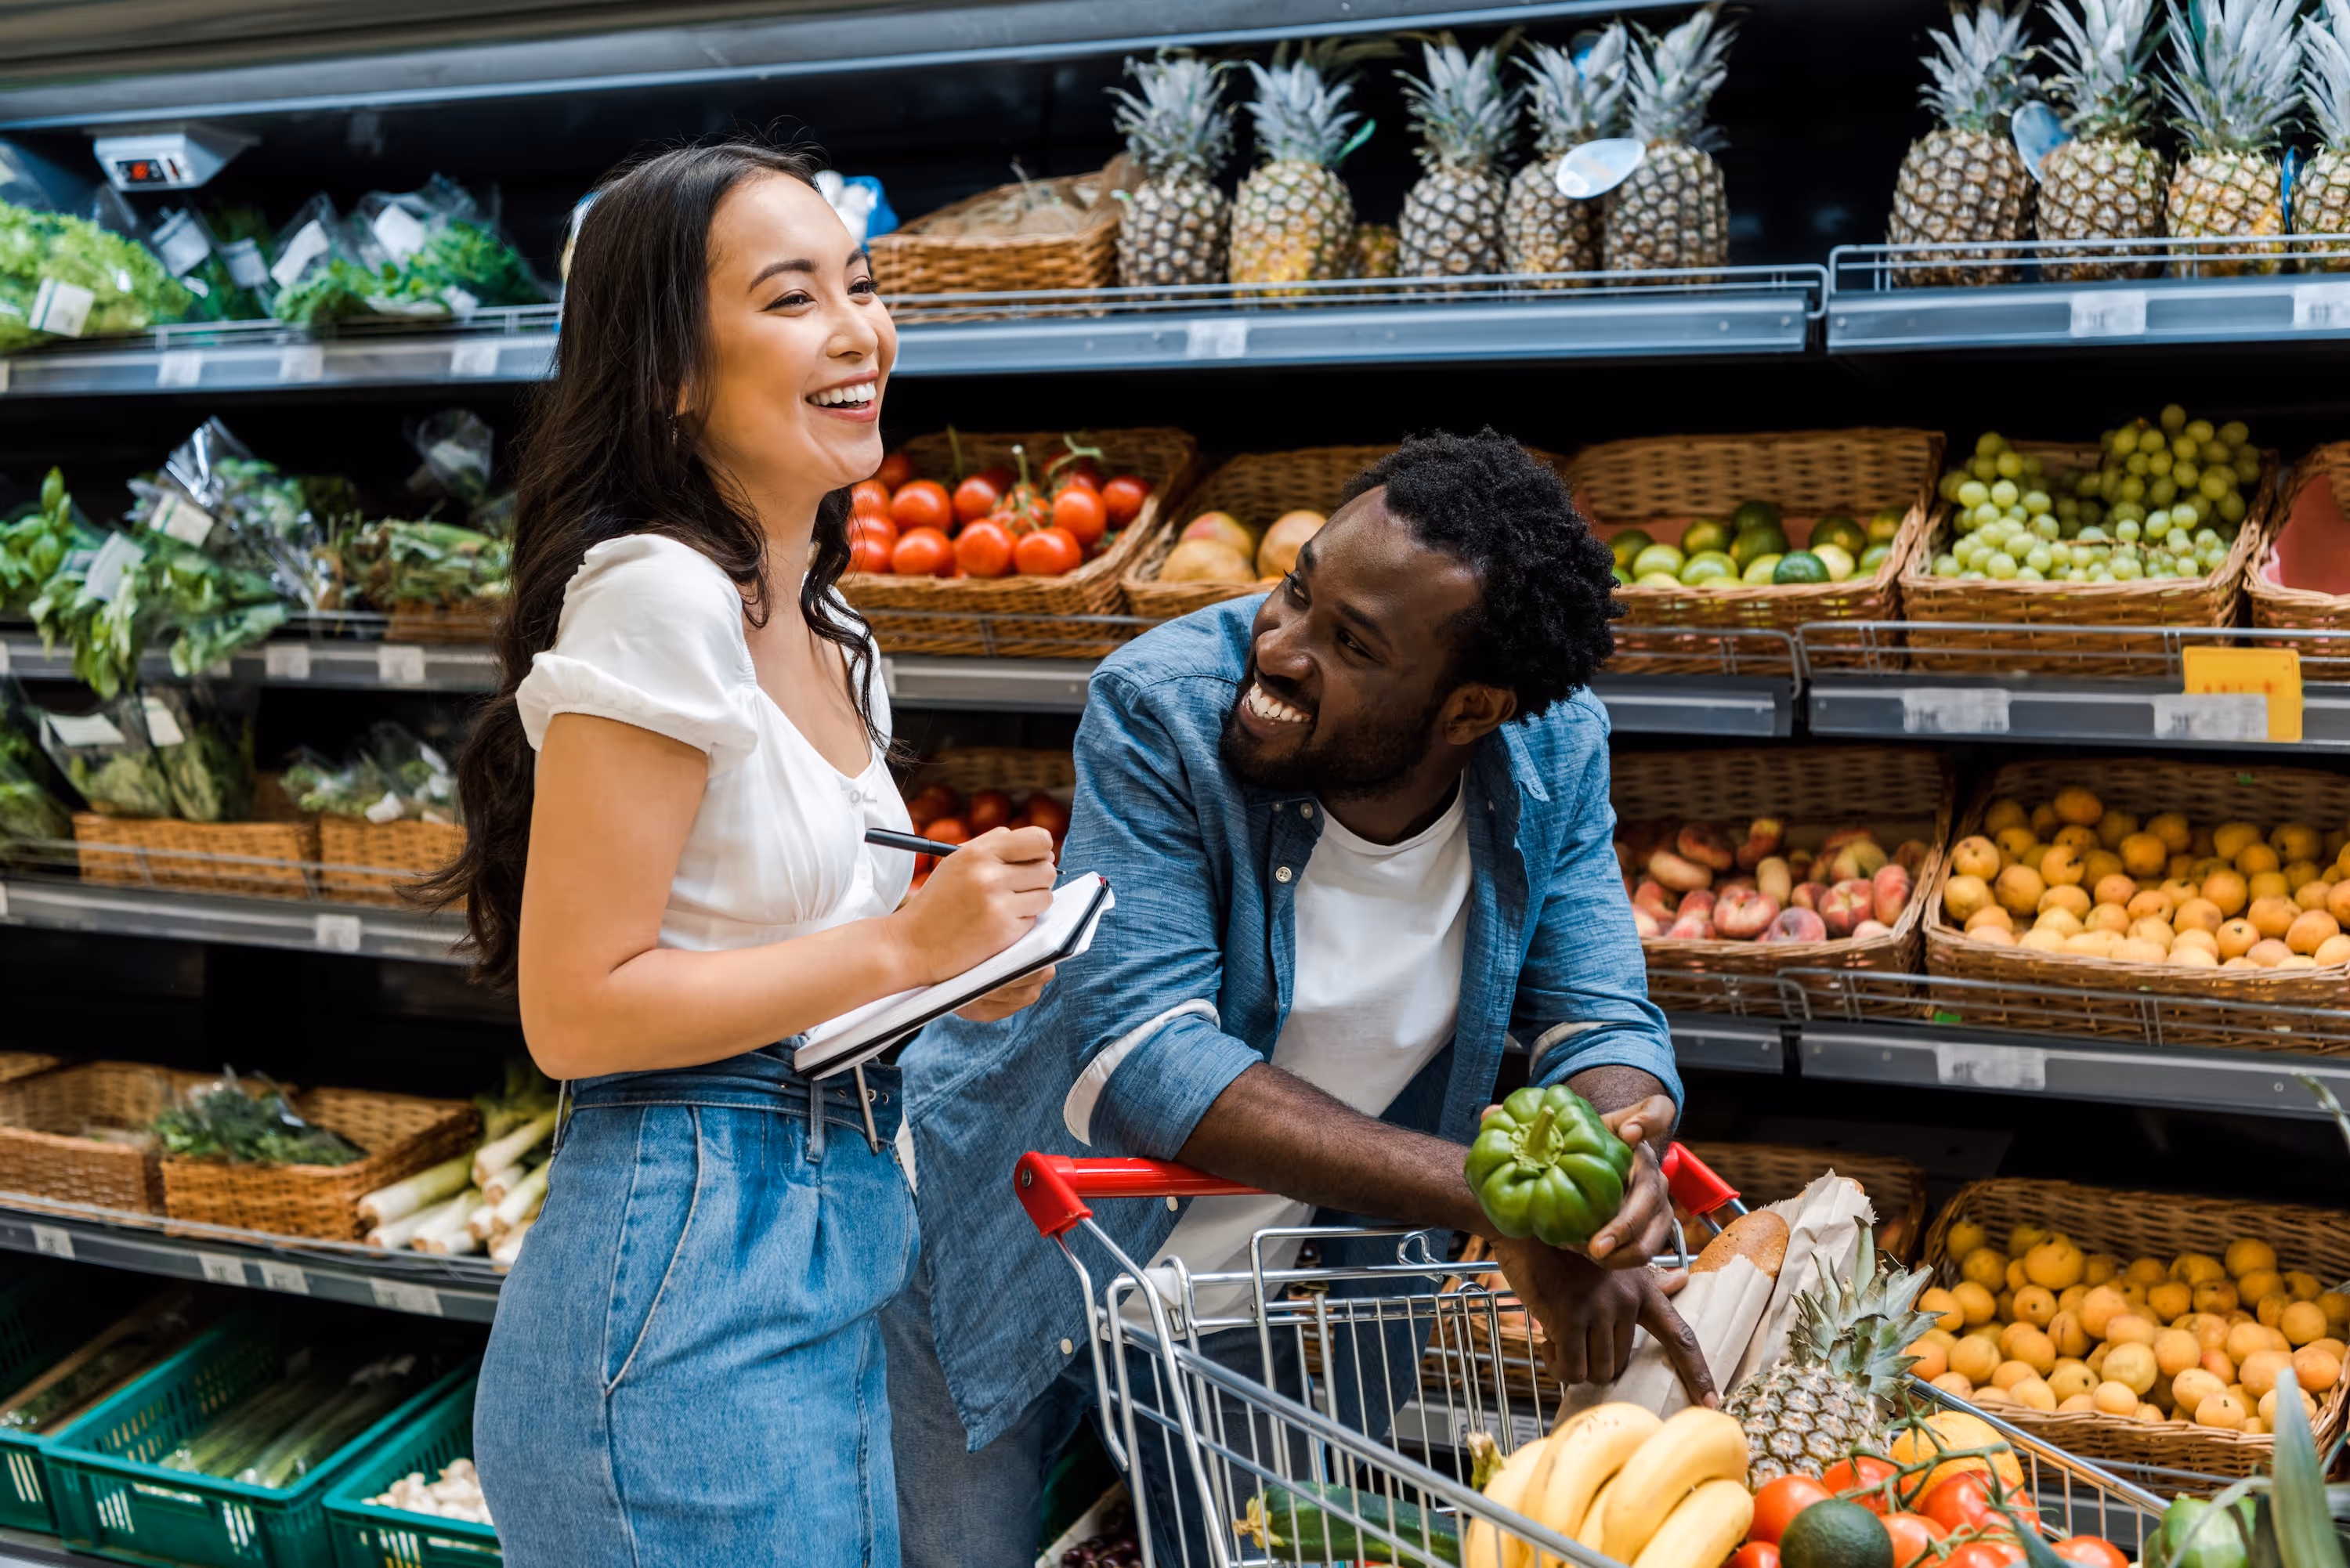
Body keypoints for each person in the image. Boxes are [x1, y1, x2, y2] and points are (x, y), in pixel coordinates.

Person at [884, 428, 1712, 1568]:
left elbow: (1600, 1018)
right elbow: (1150, 1061)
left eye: (1350, 641)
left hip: (1253, 1279)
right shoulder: (1162, 707)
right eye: (1295, 588)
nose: (1278, 645)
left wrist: (1609, 1166)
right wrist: (1500, 1197)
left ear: (1470, 708)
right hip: (1004, 1240)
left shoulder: (1549, 746)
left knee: (1251, 1551)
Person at [425, 141, 1058, 1568]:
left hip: (825, 1225)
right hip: (678, 1260)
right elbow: (575, 1009)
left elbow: (778, 954)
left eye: (864, 283)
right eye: (792, 299)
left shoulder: (835, 638)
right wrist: (904, 945)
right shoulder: (656, 598)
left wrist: (961, 970)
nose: (859, 330)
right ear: (669, 372)